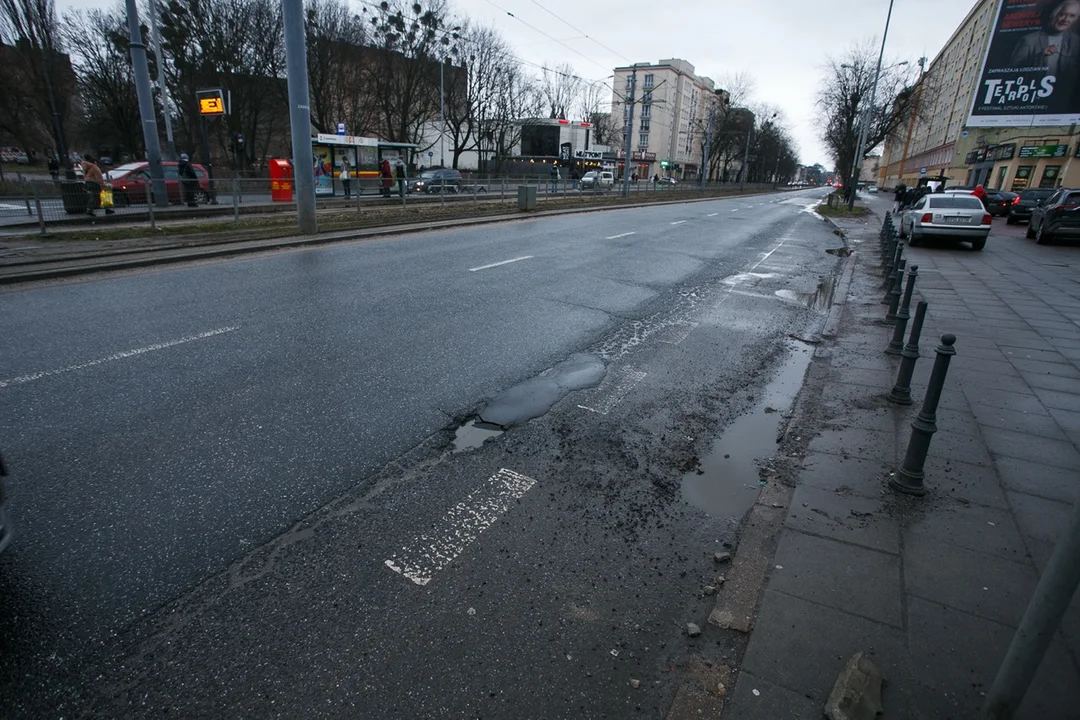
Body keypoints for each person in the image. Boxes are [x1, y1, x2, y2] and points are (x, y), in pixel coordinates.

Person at [1010, 0, 1080, 111]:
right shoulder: (1029, 40)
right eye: (1061, 14)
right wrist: (1040, 56)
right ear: (1054, 14)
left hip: (1062, 102)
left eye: (1071, 16)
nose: (1065, 19)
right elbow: (1011, 71)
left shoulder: (1075, 41)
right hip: (1031, 101)